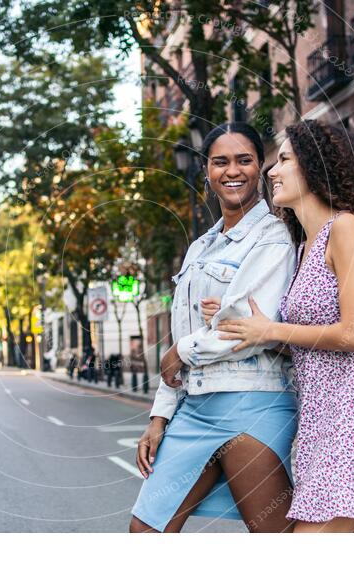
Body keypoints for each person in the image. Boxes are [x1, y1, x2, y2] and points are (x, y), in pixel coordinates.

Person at [208, 119, 354, 533]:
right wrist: (246, 325)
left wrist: (271, 331)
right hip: (319, 424)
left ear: (316, 167)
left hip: (353, 424)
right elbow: (311, 344)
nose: (271, 171)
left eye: (283, 159)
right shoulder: (305, 246)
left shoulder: (347, 229)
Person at [129, 122, 298, 533]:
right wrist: (159, 417)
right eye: (220, 162)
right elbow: (181, 333)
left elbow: (244, 325)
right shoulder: (199, 247)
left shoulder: (273, 237)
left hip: (253, 403)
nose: (232, 171)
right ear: (206, 172)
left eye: (244, 160)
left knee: (274, 539)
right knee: (147, 530)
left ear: (261, 167)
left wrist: (181, 351)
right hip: (196, 408)